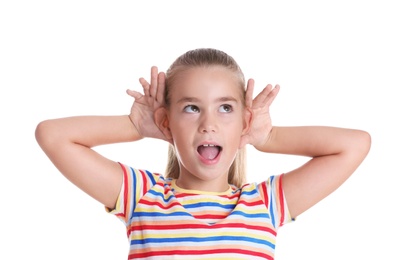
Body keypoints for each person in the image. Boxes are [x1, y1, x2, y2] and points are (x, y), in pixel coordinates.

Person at [35, 48, 371, 259]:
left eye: (225, 108)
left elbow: (354, 145)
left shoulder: (266, 203)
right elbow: (53, 136)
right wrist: (136, 125)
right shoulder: (142, 196)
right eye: (192, 108)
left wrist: (267, 137)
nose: (209, 124)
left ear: (244, 121)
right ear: (167, 122)